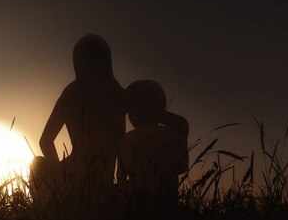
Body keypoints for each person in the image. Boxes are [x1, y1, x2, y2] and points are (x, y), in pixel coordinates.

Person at [30, 34, 125, 201]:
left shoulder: (70, 95)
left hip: (75, 175)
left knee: (38, 164)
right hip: (105, 180)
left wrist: (62, 176)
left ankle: (50, 208)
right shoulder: (120, 95)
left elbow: (45, 141)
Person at [117, 79, 189, 199]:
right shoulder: (176, 136)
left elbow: (122, 182)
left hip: (137, 208)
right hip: (168, 207)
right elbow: (182, 169)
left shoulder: (127, 140)